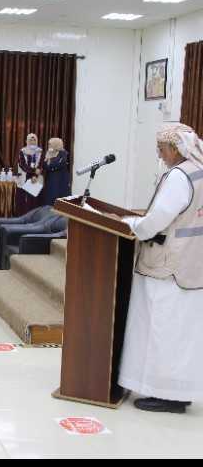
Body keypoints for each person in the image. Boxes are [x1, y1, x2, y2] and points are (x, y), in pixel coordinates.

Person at [118, 123, 203, 414]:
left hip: (168, 267)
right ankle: (178, 391)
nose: (159, 154)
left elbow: (156, 221)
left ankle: (166, 395)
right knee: (182, 333)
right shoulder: (199, 170)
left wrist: (131, 225)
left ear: (176, 148)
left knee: (162, 329)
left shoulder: (180, 176)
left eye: (161, 148)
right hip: (192, 265)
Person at [15, 133, 45, 216]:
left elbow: (41, 164)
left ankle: (35, 216)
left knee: (35, 198)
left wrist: (35, 176)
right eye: (30, 140)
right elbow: (22, 165)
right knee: (25, 199)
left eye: (34, 140)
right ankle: (25, 216)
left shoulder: (40, 151)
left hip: (36, 178)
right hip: (25, 177)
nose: (32, 141)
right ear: (27, 141)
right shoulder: (23, 151)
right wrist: (34, 171)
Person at [42, 138, 72, 206]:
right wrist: (49, 160)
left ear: (56, 144)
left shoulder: (64, 153)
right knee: (50, 199)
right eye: (49, 144)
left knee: (60, 201)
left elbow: (59, 165)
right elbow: (44, 166)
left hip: (60, 181)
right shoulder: (48, 153)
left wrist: (50, 165)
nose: (49, 146)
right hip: (50, 180)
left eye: (50, 144)